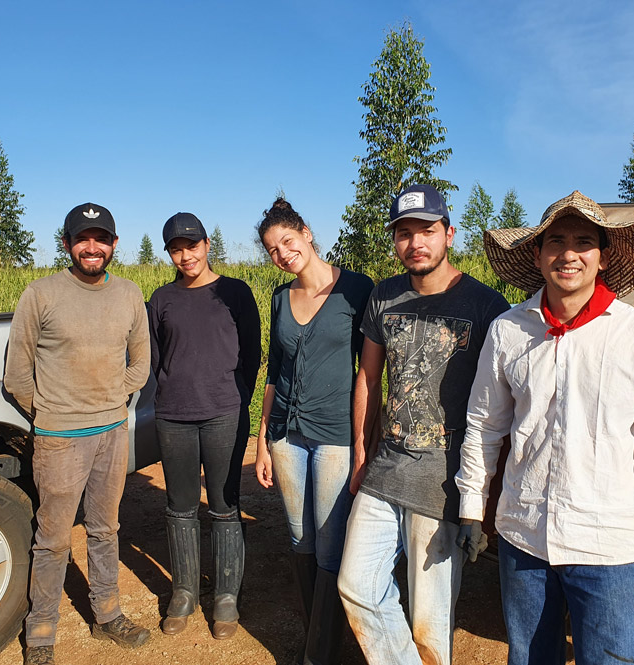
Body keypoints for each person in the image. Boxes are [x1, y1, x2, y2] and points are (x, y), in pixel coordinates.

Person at [456, 190, 634, 665]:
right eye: (555, 241)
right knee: (529, 658)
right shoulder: (509, 330)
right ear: (537, 253)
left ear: (603, 257)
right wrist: (471, 506)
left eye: (584, 241)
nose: (568, 254)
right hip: (523, 537)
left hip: (609, 545)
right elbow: (484, 425)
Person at [336, 184, 510, 664]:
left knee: (430, 619)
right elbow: (368, 378)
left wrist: (482, 492)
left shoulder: (486, 307)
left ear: (449, 234)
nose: (416, 242)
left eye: (427, 231)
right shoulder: (384, 295)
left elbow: (498, 407)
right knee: (356, 586)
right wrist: (360, 455)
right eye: (404, 232)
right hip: (386, 466)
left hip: (444, 480)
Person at [3, 203, 151, 665]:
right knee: (52, 538)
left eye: (101, 238)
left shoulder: (129, 293)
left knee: (106, 529)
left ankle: (107, 615)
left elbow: (141, 362)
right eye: (82, 238)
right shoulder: (41, 294)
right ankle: (42, 636)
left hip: (112, 432)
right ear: (66, 244)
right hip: (59, 438)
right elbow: (16, 375)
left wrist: (111, 395)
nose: (93, 247)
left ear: (114, 244)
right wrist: (52, 412)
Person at [253, 197, 374, 664]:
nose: (282, 254)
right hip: (286, 433)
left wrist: (367, 438)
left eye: (287, 241)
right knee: (300, 537)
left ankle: (319, 651)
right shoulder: (280, 298)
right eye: (272, 250)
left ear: (306, 232)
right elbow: (274, 369)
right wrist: (263, 440)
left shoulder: (357, 290)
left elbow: (371, 372)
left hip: (335, 434)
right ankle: (316, 637)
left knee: (329, 539)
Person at [148, 212, 261, 640]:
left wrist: (235, 400)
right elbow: (156, 359)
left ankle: (226, 597)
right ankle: (184, 591)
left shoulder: (235, 292)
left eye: (191, 245)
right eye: (176, 248)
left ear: (207, 244)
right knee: (180, 504)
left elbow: (251, 353)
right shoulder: (161, 299)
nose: (185, 255)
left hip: (224, 413)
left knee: (224, 503)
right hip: (173, 415)